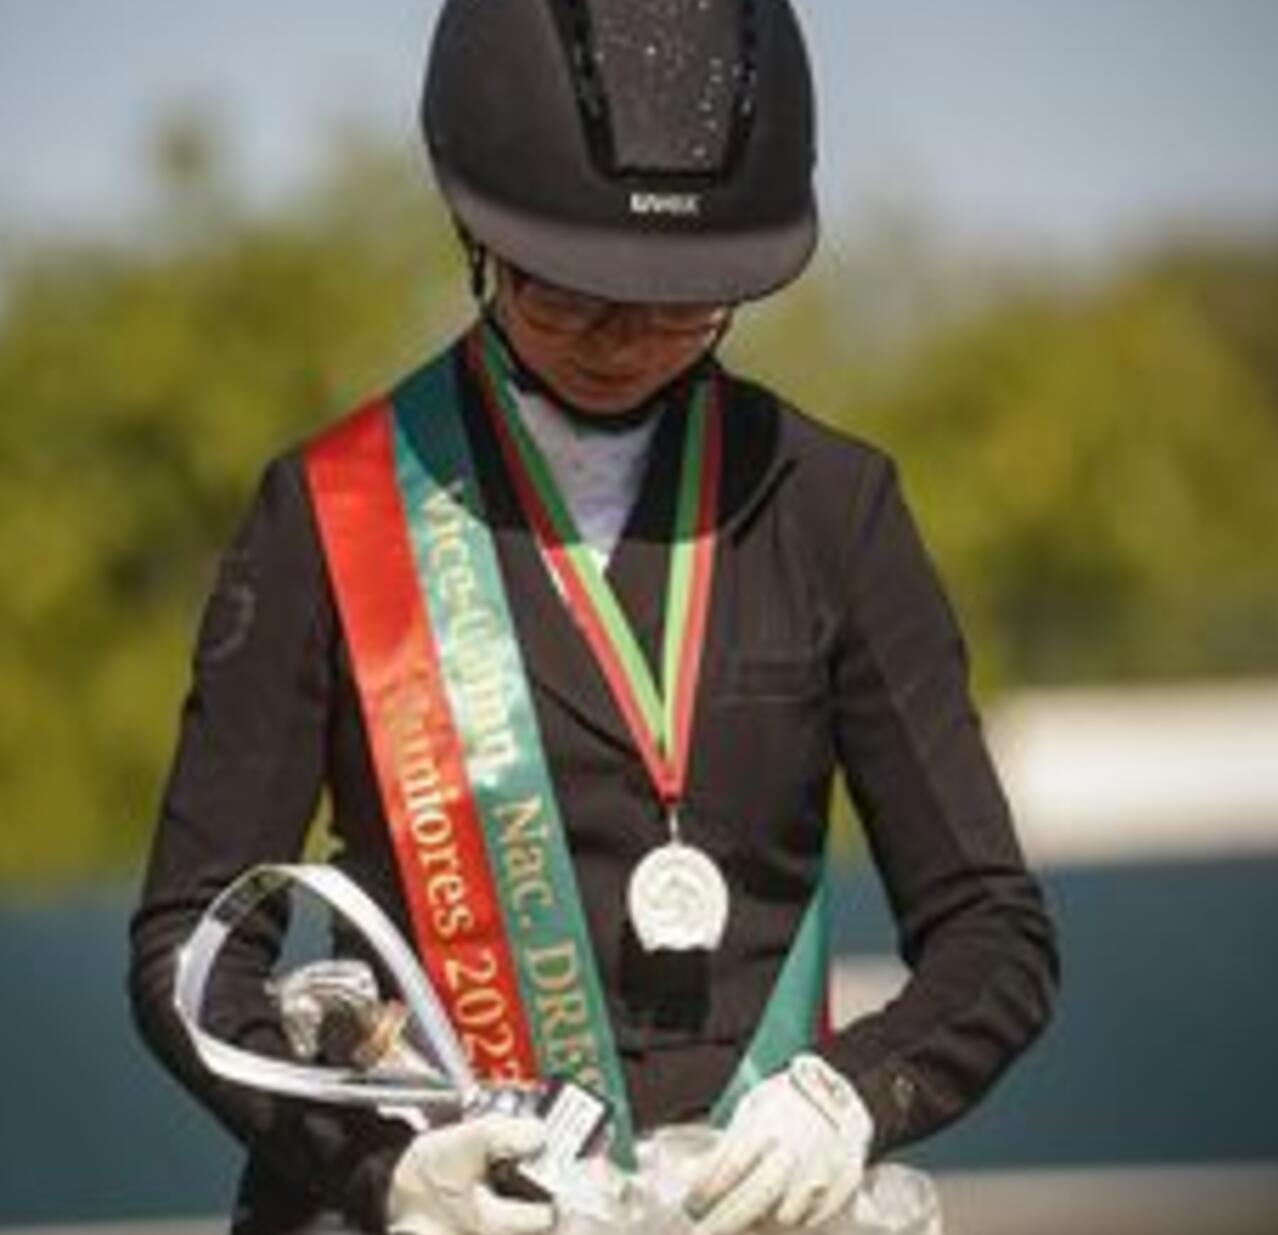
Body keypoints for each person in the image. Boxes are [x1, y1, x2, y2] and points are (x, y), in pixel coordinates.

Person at [127, 2, 1058, 1234]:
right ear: (477, 237)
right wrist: (379, 1170)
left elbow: (992, 930)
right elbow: (190, 949)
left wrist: (853, 1093)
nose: (622, 340)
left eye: (680, 303)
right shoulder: (329, 509)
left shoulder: (834, 508)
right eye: (567, 295)